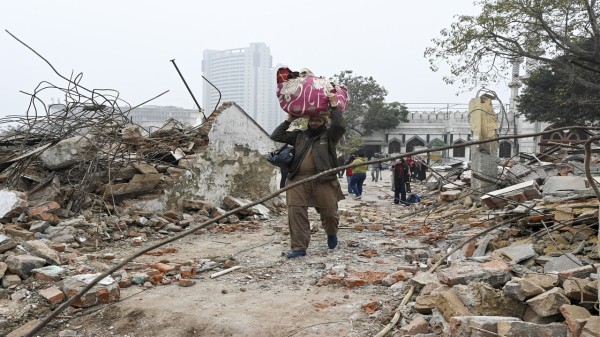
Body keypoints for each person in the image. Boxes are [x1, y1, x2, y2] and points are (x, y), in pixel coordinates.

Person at [270, 93, 345, 258]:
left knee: (329, 214)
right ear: (308, 121)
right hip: (297, 180)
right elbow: (276, 136)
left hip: (324, 180)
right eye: (312, 120)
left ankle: (331, 233)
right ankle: (299, 247)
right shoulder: (299, 135)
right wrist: (289, 119)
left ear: (324, 122)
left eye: (318, 120)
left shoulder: (329, 136)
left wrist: (333, 106)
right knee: (295, 212)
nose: (315, 123)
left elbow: (339, 126)